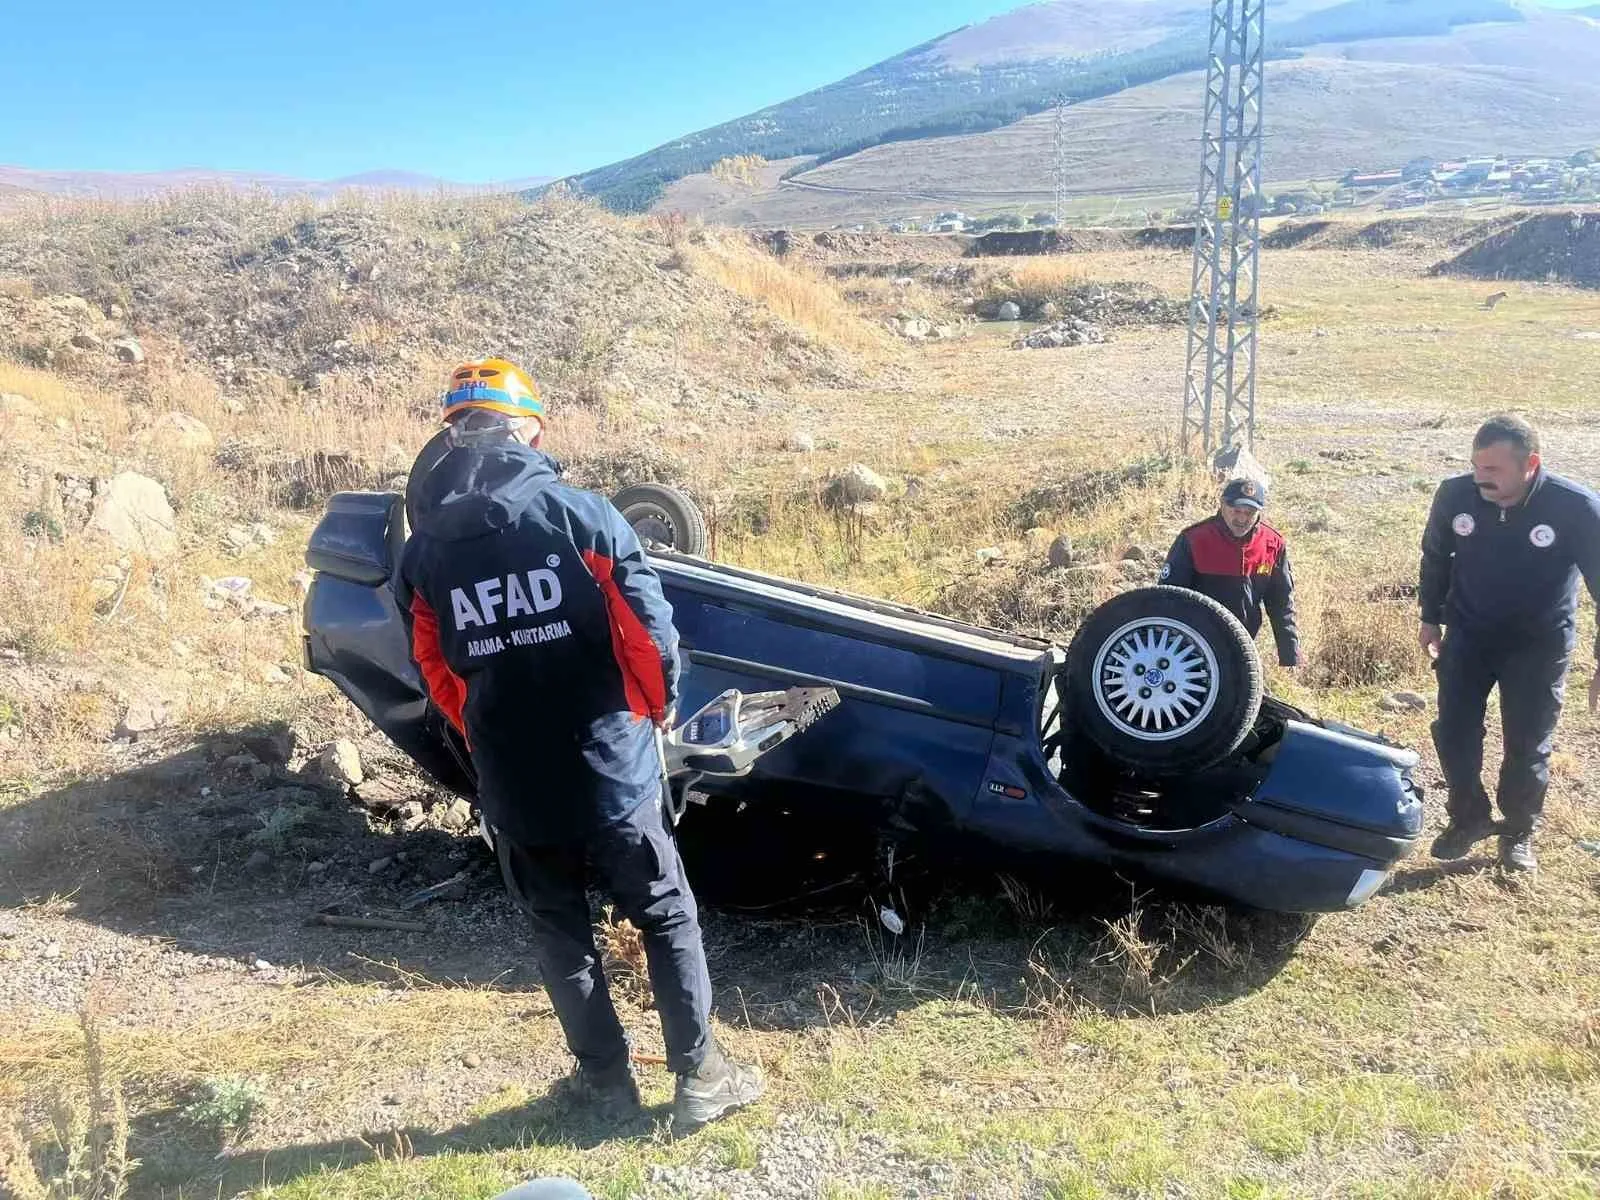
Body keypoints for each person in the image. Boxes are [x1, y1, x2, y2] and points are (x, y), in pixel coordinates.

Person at [395, 357, 763, 1133]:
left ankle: (604, 1087)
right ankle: (700, 1077)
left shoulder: (422, 554)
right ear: (528, 430)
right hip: (610, 767)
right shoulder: (581, 516)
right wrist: (655, 710)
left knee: (559, 931)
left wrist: (485, 736)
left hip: (513, 777)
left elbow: (436, 669)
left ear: (452, 437)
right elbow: (648, 636)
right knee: (664, 914)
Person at [1419, 414, 1600, 872]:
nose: (1481, 478)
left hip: (1539, 642)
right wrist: (1430, 617)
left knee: (1528, 741)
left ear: (1530, 465)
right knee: (1454, 731)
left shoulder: (1575, 508)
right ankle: (1468, 818)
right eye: (1476, 466)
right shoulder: (1455, 495)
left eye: (1493, 469)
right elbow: (1436, 555)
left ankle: (1518, 831)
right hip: (1469, 633)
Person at [1160, 476, 1302, 669]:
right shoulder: (1194, 539)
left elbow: (1281, 603)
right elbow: (1167, 598)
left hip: (1243, 645)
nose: (1242, 519)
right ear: (1222, 505)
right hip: (1193, 647)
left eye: (1249, 512)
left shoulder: (1272, 544)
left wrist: (1290, 654)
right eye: (1236, 510)